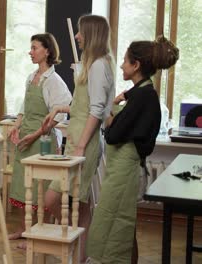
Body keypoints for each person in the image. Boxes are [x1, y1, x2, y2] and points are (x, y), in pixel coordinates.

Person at [86, 36, 179, 264]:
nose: (121, 65)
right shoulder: (141, 93)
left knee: (113, 222)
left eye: (125, 61)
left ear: (136, 65)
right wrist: (118, 104)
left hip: (125, 172)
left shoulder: (142, 96)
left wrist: (108, 114)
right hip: (124, 170)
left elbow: (114, 135)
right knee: (123, 224)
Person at [41, 15, 115, 262]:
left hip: (84, 144)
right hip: (76, 141)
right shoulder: (92, 63)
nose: (76, 36)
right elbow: (83, 107)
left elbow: (97, 111)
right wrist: (60, 109)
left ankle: (81, 252)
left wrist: (81, 146)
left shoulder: (99, 66)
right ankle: (82, 254)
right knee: (76, 208)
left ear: (91, 34)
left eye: (80, 32)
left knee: (64, 203)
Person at [7, 33, 72, 247]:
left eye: (34, 48)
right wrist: (16, 127)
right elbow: (23, 108)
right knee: (21, 184)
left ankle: (36, 232)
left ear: (47, 51)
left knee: (38, 189)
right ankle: (24, 228)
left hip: (41, 141)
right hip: (25, 139)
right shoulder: (31, 77)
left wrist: (35, 135)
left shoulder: (54, 81)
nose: (30, 52)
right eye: (31, 48)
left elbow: (60, 114)